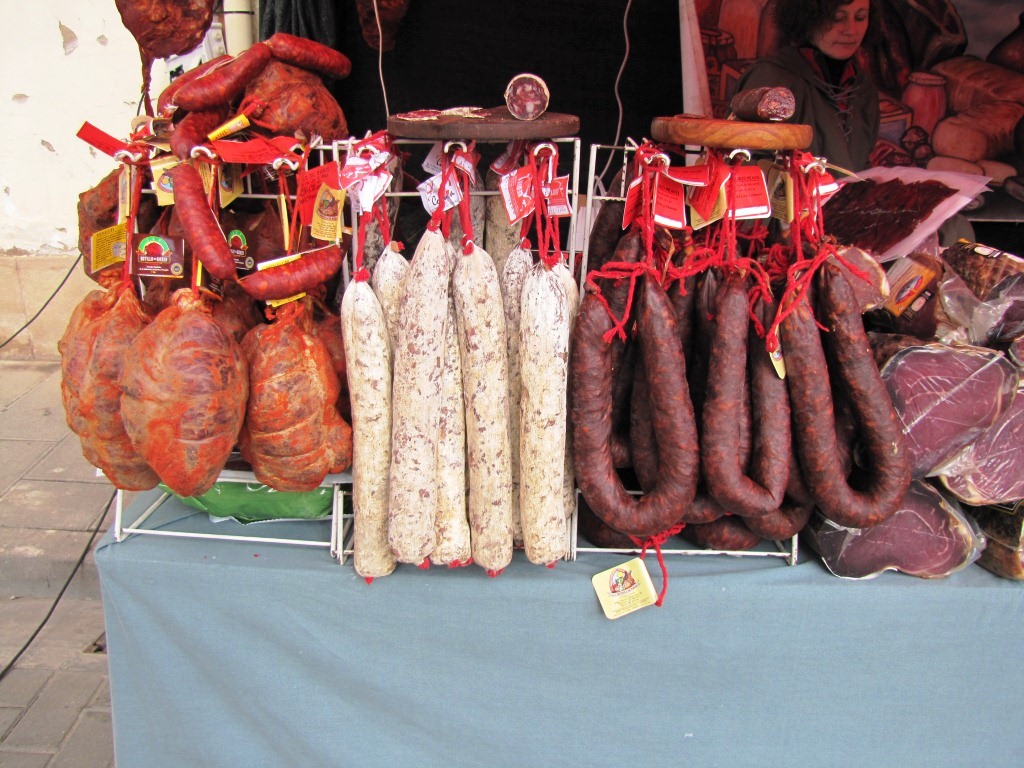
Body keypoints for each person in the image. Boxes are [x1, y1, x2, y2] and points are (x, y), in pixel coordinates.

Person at [735, 0, 878, 173]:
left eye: (861, 17)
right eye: (837, 18)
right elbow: (743, 168)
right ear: (808, 18)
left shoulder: (863, 89)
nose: (851, 30)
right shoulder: (771, 78)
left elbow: (862, 168)